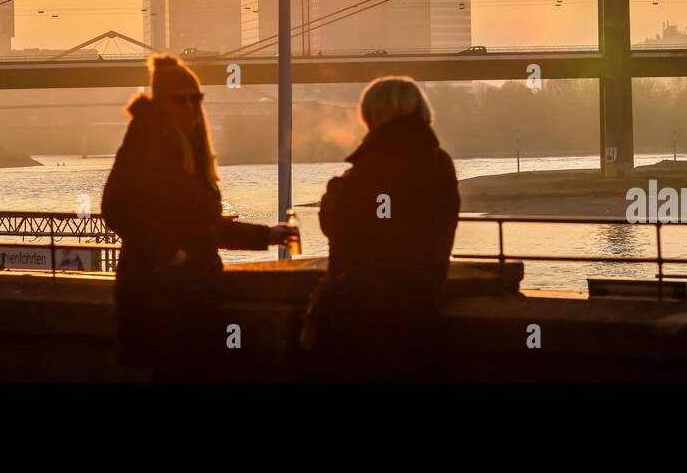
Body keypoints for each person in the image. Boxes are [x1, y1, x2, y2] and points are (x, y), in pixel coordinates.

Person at [101, 53, 293, 380]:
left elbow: (204, 227)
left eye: (196, 98)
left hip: (191, 296)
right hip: (163, 297)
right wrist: (169, 254)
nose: (191, 107)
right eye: (181, 100)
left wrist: (267, 235)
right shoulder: (145, 143)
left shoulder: (189, 147)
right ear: (162, 102)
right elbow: (115, 209)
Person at [302, 76, 460, 380]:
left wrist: (335, 189)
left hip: (358, 313)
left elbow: (336, 225)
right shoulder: (438, 163)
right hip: (420, 308)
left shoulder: (372, 165)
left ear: (374, 115)